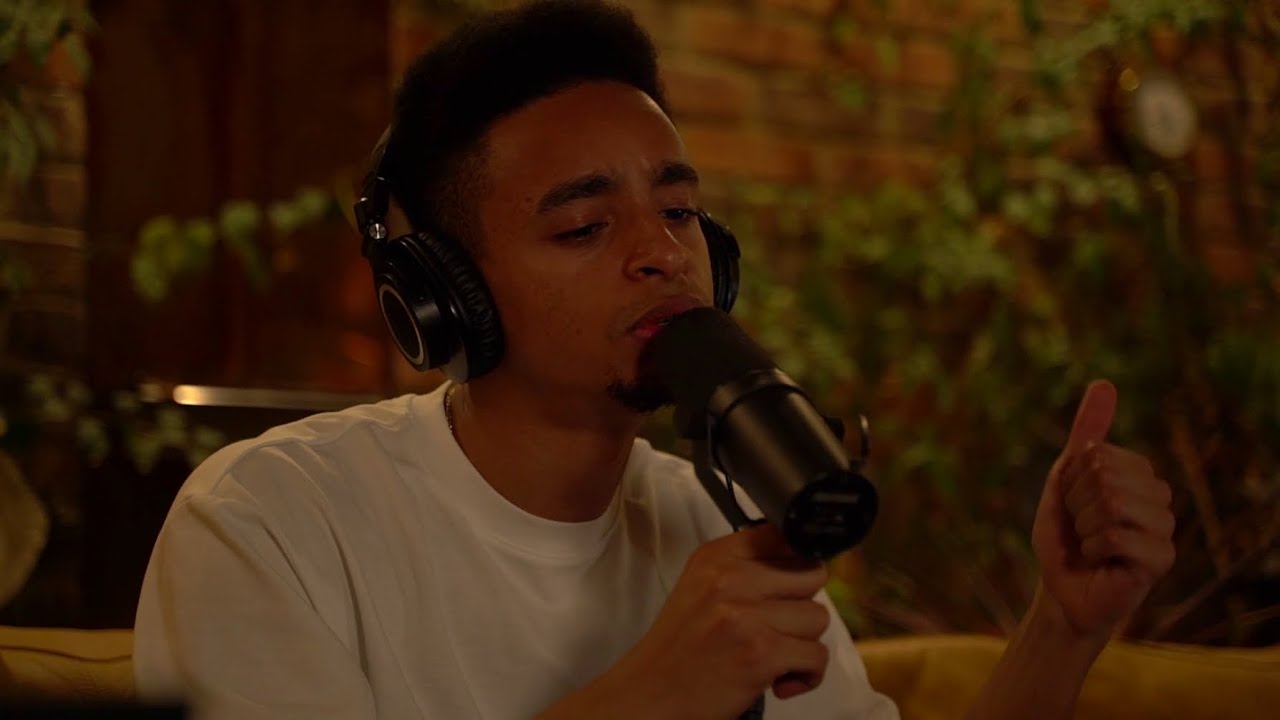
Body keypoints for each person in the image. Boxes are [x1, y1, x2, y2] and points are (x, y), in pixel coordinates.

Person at [132, 2, 1177, 719]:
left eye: (677, 212)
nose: (660, 253)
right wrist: (655, 695)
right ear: (447, 296)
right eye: (584, 228)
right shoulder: (271, 520)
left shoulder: (713, 516)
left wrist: (1061, 625)